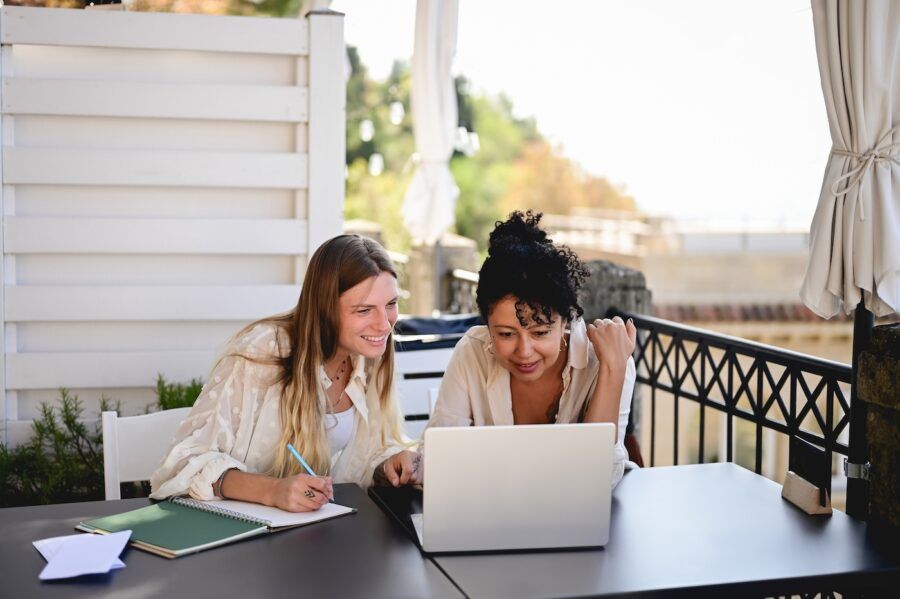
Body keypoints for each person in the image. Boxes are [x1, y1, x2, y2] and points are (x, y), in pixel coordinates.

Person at [151, 235, 422, 512]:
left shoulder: (368, 355)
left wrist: (387, 464)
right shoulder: (264, 351)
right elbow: (183, 462)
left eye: (391, 304)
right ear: (325, 310)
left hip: (321, 534)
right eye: (364, 310)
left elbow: (363, 455)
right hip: (242, 535)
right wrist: (272, 491)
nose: (384, 324)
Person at [425, 211, 637, 486]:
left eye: (540, 332)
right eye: (505, 333)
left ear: (565, 323)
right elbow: (440, 458)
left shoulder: (607, 361)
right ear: (487, 326)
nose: (524, 351)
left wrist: (614, 368)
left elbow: (597, 477)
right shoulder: (472, 352)